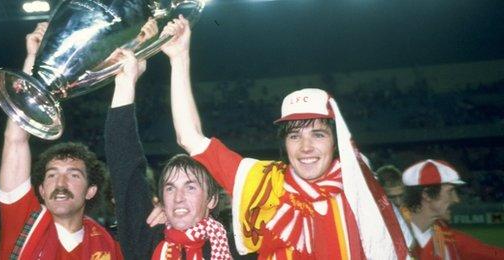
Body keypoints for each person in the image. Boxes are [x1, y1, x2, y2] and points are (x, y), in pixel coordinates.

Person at [166, 16, 408, 259]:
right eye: (295, 136)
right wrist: (179, 57)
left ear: (336, 141)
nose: (306, 147)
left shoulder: (359, 186)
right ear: (284, 143)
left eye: (318, 134)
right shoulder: (264, 181)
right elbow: (189, 137)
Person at [0, 22, 122, 260]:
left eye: (74, 175)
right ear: (41, 190)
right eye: (52, 175)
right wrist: (33, 58)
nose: (60, 183)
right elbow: (15, 140)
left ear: (91, 190)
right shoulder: (25, 221)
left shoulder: (106, 243)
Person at [103, 43, 232, 259]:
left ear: (211, 200)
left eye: (190, 187)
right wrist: (125, 82)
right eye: (170, 189)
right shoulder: (147, 239)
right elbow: (124, 164)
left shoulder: (236, 244)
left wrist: (180, 58)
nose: (178, 198)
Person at [400, 159, 504, 259]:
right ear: (427, 195)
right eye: (450, 191)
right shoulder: (392, 237)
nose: (456, 199)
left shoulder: (447, 237)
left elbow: (488, 253)